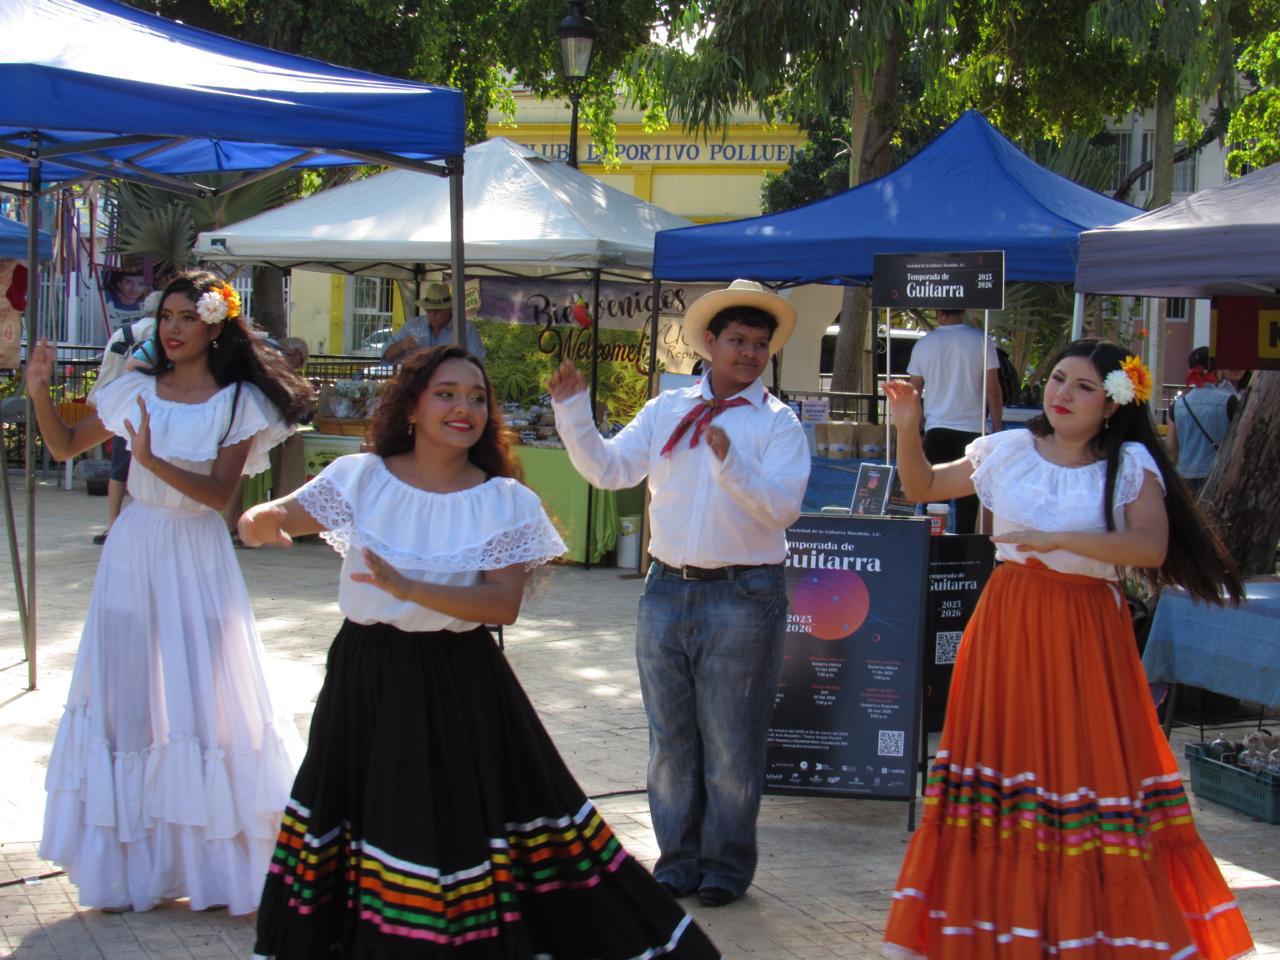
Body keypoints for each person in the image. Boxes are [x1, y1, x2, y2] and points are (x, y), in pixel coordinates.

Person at [238, 345, 717, 959]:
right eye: (446, 394)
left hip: (456, 679)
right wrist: (259, 518)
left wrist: (409, 588)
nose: (463, 408)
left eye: (476, 398)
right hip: (365, 674)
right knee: (361, 809)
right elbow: (279, 515)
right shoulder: (362, 477)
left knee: (443, 818)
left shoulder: (503, 500)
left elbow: (500, 605)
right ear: (411, 407)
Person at [881, 339, 1252, 960]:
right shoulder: (1006, 449)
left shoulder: (1129, 464)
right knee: (1008, 763)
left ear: (1112, 403)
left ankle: (1089, 930)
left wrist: (1060, 538)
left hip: (1085, 629)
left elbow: (1149, 547)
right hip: (1008, 621)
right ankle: (1006, 926)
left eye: (1083, 387)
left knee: (1083, 765)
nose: (1062, 394)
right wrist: (906, 425)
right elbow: (921, 486)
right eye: (1057, 379)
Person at [26, 270, 315, 914]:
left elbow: (218, 497)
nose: (173, 329)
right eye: (165, 317)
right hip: (134, 549)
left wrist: (152, 460)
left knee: (208, 700)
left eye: (187, 317)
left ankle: (212, 864)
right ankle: (129, 866)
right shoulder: (133, 388)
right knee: (125, 701)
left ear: (214, 326)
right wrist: (40, 389)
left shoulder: (240, 403)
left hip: (196, 551)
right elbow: (64, 445)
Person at [549, 279, 810, 908]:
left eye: (760, 344)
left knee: (731, 742)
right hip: (666, 587)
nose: (749, 354)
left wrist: (730, 463)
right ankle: (677, 859)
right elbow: (611, 469)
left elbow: (782, 509)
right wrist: (573, 412)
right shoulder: (666, 409)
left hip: (744, 593)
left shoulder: (779, 423)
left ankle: (725, 865)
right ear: (710, 343)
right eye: (738, 341)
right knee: (670, 740)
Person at [906, 307, 1003, 534]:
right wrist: (997, 428)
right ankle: (963, 551)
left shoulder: (924, 344)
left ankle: (930, 548)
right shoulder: (981, 340)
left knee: (933, 499)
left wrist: (914, 430)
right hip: (973, 430)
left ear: (939, 313)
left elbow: (913, 392)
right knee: (968, 504)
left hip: (936, 428)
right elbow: (993, 389)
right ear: (962, 312)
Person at [88, 290, 163, 544]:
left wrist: (101, 403)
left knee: (119, 468)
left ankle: (112, 524)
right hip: (159, 408)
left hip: (125, 408)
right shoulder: (169, 336)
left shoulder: (124, 333)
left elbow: (108, 369)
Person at [1166, 347, 1239, 495]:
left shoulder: (1178, 406)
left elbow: (1171, 451)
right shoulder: (1229, 402)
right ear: (1217, 371)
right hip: (1217, 478)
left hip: (1185, 479)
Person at [381, 280, 485, 363]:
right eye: (429, 310)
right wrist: (401, 345)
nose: (433, 315)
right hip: (418, 382)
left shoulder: (466, 329)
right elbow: (385, 356)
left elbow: (477, 363)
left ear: (449, 309)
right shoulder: (413, 325)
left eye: (438, 310)